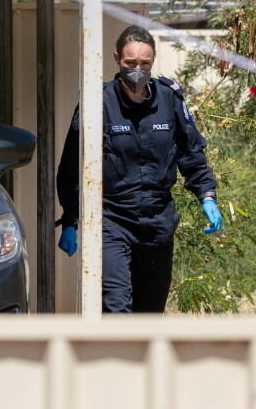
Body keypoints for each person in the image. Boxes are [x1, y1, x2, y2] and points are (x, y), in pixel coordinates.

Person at [55, 25, 223, 313]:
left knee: (150, 314)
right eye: (130, 63)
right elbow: (72, 164)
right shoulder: (98, 102)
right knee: (116, 307)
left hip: (158, 222)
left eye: (145, 64)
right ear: (116, 59)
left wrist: (207, 195)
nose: (137, 70)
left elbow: (191, 153)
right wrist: (70, 218)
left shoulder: (169, 99)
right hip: (112, 220)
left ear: (153, 61)